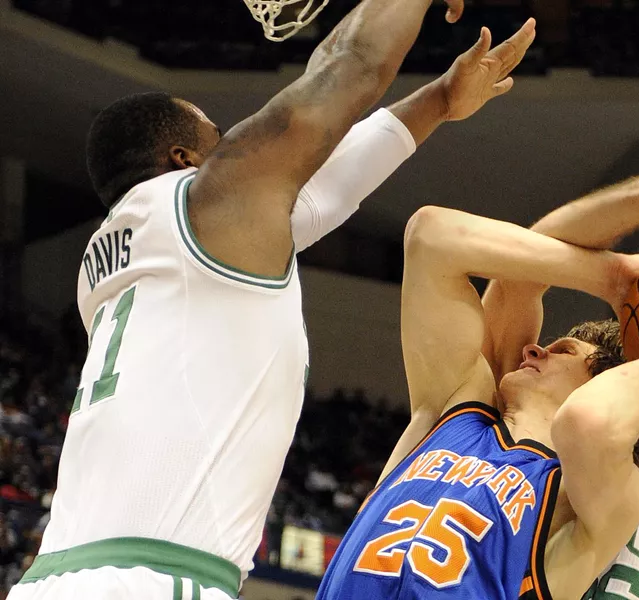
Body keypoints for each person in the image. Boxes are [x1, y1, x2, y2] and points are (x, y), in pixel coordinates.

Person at [8, 4, 538, 599]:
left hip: (51, 577)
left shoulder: (114, 261)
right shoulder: (209, 202)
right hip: (157, 577)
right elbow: (351, 64)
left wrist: (441, 99)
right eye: (216, 135)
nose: (232, 141)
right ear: (185, 160)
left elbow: (328, 184)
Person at [315, 201, 639, 599]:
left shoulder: (587, 499)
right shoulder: (455, 410)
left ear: (597, 386)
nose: (534, 349)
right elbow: (433, 235)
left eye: (563, 352)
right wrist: (620, 260)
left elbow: (587, 423)